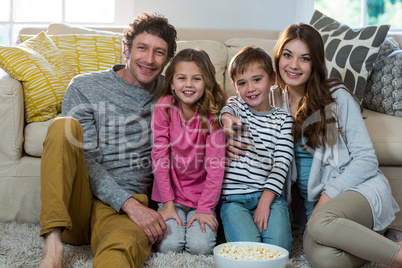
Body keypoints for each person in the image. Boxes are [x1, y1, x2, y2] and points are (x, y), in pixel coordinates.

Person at [222, 23, 402, 267]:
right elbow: (234, 101)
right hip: (312, 207)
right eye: (287, 55)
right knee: (322, 259)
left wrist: (326, 199)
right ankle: (380, 240)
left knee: (319, 223)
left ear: (314, 63)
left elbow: (366, 159)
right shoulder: (271, 96)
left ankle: (396, 256)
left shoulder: (336, 95)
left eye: (304, 58)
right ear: (278, 59)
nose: (294, 65)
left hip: (353, 191)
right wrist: (225, 121)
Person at [38, 13, 177, 268]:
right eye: (142, 48)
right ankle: (53, 244)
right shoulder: (85, 86)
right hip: (79, 203)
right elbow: (86, 157)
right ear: (126, 48)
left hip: (127, 208)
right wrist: (127, 203)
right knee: (62, 127)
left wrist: (227, 121)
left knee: (118, 255)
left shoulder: (170, 92)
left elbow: (209, 102)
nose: (148, 59)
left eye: (159, 53)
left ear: (168, 60)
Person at [151, 48, 227, 255]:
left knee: (200, 247)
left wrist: (205, 207)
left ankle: (205, 217)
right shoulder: (164, 107)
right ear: (172, 83)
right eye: (181, 78)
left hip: (202, 198)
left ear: (207, 82)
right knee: (169, 246)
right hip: (170, 197)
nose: (188, 85)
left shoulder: (213, 112)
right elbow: (159, 157)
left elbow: (216, 165)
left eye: (197, 79)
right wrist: (167, 204)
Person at [219, 46, 294, 253]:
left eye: (256, 79)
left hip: (269, 196)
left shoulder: (283, 120)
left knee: (278, 249)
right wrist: (225, 119)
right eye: (242, 83)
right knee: (249, 251)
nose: (250, 88)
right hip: (233, 200)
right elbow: (227, 110)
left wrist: (264, 203)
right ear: (235, 86)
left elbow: (281, 164)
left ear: (271, 79)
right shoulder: (237, 106)